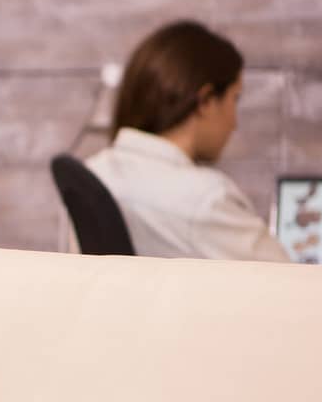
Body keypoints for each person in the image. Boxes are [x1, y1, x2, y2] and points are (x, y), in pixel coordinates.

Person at [84, 20, 291, 262]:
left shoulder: (96, 170)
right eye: (234, 100)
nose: (234, 122)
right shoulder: (208, 200)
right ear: (205, 102)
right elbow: (291, 284)